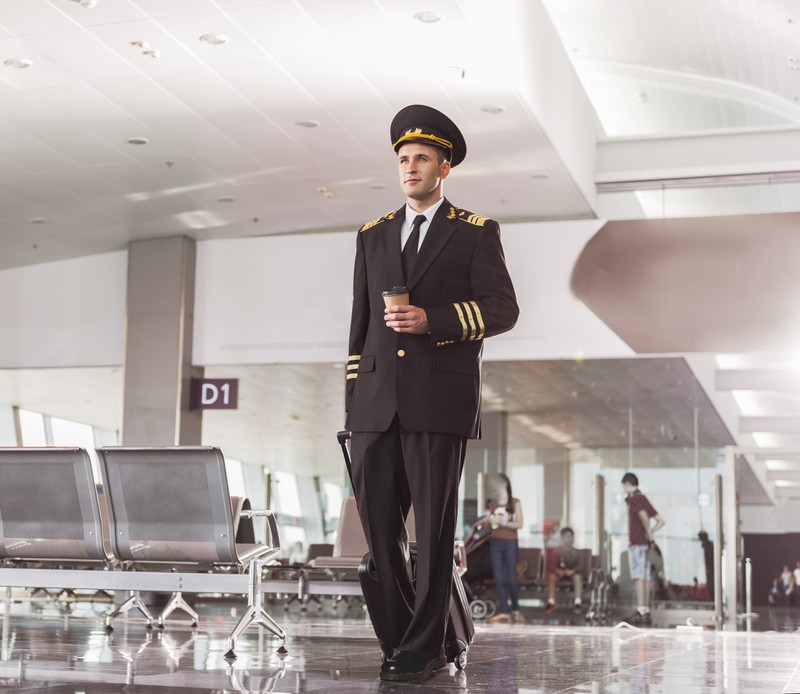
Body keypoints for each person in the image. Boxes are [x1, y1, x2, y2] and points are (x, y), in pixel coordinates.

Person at [345, 104, 518, 682]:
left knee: (436, 532)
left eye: (421, 158)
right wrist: (354, 405)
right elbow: (360, 325)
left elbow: (502, 310)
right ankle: (404, 635)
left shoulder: (474, 233)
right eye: (403, 159)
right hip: (375, 405)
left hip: (437, 403)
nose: (410, 167)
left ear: (444, 169)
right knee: (377, 531)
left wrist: (433, 320)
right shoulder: (372, 236)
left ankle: (421, 646)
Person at [621, 472, 665, 625]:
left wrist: (648, 533)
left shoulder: (635, 499)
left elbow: (644, 518)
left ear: (627, 484)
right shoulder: (643, 497)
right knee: (644, 577)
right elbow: (660, 521)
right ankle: (645, 610)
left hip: (637, 544)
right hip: (644, 545)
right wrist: (650, 534)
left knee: (638, 578)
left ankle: (641, 611)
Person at [486, 474, 524, 624]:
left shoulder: (515, 502)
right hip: (495, 542)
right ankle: (503, 611)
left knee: (511, 578)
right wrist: (490, 521)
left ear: (504, 484)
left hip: (510, 543)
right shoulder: (493, 504)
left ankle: (515, 610)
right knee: (499, 577)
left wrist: (503, 522)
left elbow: (520, 524)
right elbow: (491, 523)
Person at [545, 526, 583, 615]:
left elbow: (580, 567)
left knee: (577, 577)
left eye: (571, 536)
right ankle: (551, 602)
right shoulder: (557, 551)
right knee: (552, 577)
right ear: (562, 538)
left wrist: (572, 571)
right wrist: (560, 571)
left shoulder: (577, 552)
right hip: (560, 573)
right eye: (567, 536)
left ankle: (578, 602)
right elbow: (553, 566)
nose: (570, 539)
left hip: (572, 573)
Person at [698, 530, 714, 601]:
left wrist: (709, 569)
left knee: (711, 587)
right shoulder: (706, 546)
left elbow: (710, 559)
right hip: (708, 571)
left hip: (711, 571)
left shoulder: (709, 546)